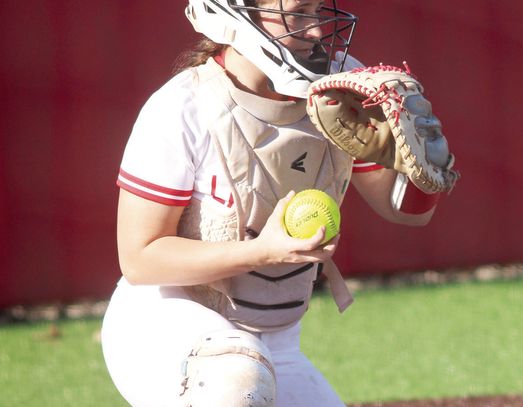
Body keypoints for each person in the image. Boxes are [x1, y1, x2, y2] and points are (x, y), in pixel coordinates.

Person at [101, 1, 440, 406]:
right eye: (297, 11)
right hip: (163, 326)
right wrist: (261, 251)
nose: (315, 29)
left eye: (318, 9)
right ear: (232, 12)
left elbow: (403, 212)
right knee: (234, 379)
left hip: (275, 341)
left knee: (245, 371)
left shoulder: (336, 88)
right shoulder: (183, 105)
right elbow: (140, 260)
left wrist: (421, 166)